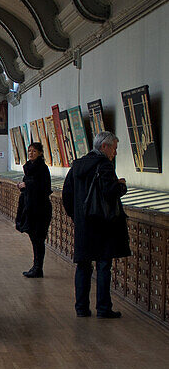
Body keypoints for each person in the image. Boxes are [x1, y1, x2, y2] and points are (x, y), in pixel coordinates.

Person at [62, 131, 130, 318]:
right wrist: (122, 185)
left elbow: (66, 195)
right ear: (104, 147)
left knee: (83, 266)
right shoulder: (104, 165)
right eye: (114, 148)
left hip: (84, 226)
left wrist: (76, 217)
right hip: (103, 225)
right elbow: (110, 191)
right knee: (103, 266)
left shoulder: (77, 165)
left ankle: (81, 308)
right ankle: (103, 308)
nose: (115, 153)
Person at [15, 142, 53, 278]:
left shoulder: (42, 169)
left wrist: (27, 184)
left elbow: (45, 188)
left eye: (34, 151)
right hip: (29, 207)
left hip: (40, 209)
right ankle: (36, 266)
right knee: (34, 238)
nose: (31, 153)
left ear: (40, 153)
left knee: (38, 238)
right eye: (29, 151)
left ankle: (38, 268)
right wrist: (22, 185)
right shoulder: (29, 168)